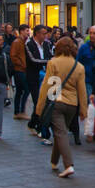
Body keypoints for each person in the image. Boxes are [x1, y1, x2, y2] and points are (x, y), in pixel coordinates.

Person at [36, 37, 85, 178]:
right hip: (72, 104)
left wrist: (40, 107)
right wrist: (83, 110)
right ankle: (54, 161)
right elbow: (82, 90)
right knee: (61, 132)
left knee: (60, 133)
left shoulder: (53, 63)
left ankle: (68, 165)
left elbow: (48, 85)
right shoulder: (79, 66)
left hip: (57, 101)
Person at [25, 25, 54, 140]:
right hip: (34, 76)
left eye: (46, 33)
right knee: (38, 100)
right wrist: (48, 61)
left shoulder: (47, 44)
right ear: (36, 33)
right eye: (43, 33)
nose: (45, 35)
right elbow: (32, 60)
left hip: (47, 76)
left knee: (46, 101)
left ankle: (33, 123)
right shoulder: (29, 45)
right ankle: (40, 127)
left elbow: (51, 56)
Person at [10, 29, 30, 118]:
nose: (28, 32)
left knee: (19, 91)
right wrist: (22, 65)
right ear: (21, 31)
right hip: (20, 70)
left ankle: (17, 112)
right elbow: (13, 56)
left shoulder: (22, 42)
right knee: (26, 89)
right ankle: (21, 111)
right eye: (26, 31)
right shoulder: (17, 42)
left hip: (21, 69)